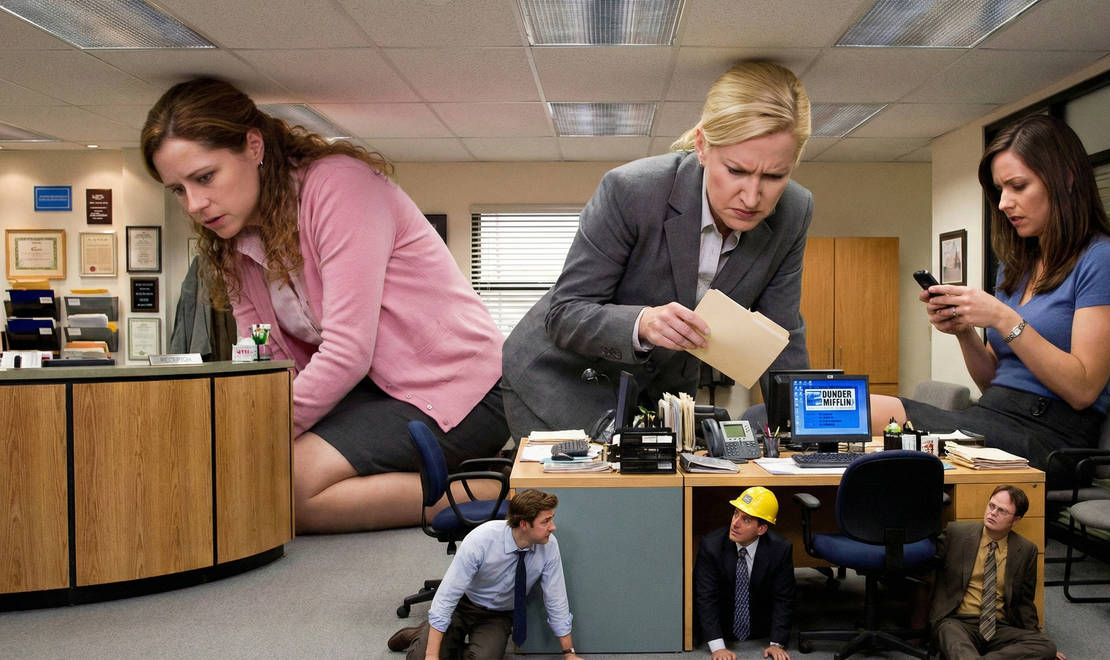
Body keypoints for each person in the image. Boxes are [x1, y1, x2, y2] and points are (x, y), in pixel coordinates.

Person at [140, 79, 509, 533]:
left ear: (253, 146)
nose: (195, 204)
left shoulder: (338, 186)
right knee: (258, 477)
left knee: (285, 488)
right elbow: (267, 357)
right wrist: (241, 426)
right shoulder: (234, 241)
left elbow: (348, 352)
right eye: (178, 190)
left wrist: (256, 433)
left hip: (461, 391)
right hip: (375, 398)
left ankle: (506, 489)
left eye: (204, 177)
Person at [501, 60, 814, 436]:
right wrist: (643, 323)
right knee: (585, 478)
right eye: (736, 170)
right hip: (560, 379)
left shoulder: (794, 212)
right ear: (702, 146)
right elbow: (565, 313)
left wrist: (805, 432)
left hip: (656, 393)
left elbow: (781, 336)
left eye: (775, 176)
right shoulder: (631, 190)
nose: (751, 197)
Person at [871, 114, 1110, 478]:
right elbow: (992, 381)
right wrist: (964, 332)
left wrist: (1003, 317)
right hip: (992, 414)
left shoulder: (1106, 261)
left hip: (1051, 439)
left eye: (1018, 186)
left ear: (1066, 179)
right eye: (1000, 190)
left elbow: (1082, 389)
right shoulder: (1018, 268)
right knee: (856, 413)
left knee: (868, 413)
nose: (1003, 203)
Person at [386, 489, 584, 659]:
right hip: (463, 604)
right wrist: (431, 655)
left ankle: (437, 638)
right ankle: (423, 634)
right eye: (546, 521)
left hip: (498, 615)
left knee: (483, 657)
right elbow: (447, 596)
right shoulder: (481, 540)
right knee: (421, 657)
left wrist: (569, 653)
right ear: (524, 524)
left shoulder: (549, 547)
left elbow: (556, 599)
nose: (553, 527)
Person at [930, 485, 1058, 659]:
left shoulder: (1026, 550)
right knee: (950, 634)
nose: (992, 513)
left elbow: (1024, 602)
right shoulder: (957, 534)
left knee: (1046, 647)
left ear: (1016, 520)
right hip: (958, 621)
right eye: (991, 506)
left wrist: (1034, 637)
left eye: (1002, 511)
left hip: (999, 626)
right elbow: (927, 562)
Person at [694, 486, 795, 660]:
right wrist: (718, 647)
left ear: (761, 529)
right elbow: (705, 597)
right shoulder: (711, 546)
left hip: (760, 628)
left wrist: (776, 643)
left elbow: (784, 598)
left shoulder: (780, 549)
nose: (735, 523)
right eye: (735, 514)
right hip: (723, 626)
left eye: (746, 520)